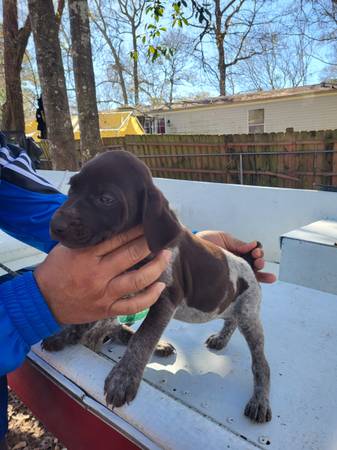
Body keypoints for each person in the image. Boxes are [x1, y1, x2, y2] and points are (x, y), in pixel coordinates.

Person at [0, 138, 275, 449]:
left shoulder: (4, 164)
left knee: (252, 333)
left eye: (104, 198)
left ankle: (262, 380)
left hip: (234, 290)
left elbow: (164, 295)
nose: (60, 218)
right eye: (74, 189)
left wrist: (196, 243)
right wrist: (37, 304)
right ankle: (91, 332)